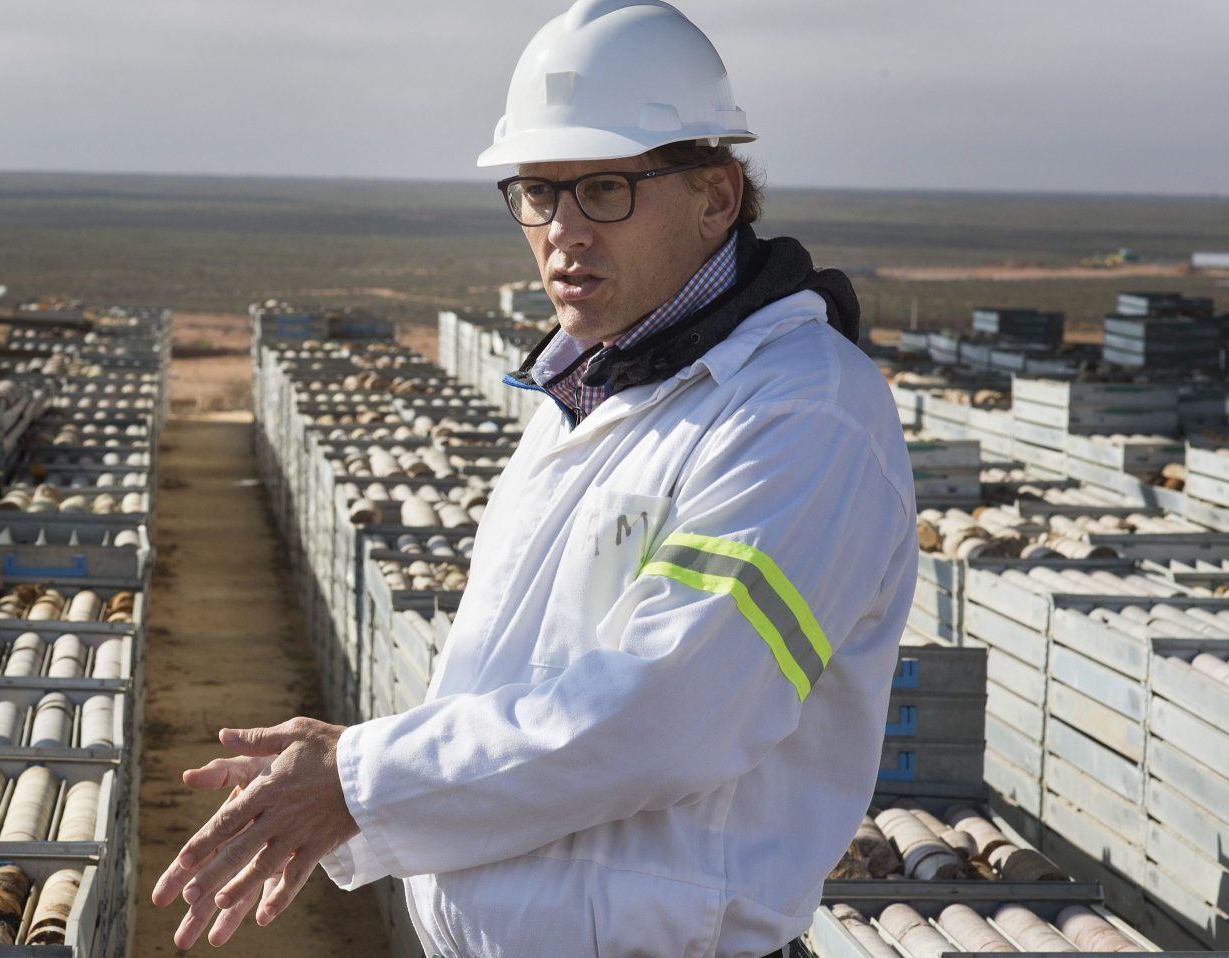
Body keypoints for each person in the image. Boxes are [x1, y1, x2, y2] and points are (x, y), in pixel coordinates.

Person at [151, 1, 916, 955]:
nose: (562, 232)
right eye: (536, 193)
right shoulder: (581, 398)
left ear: (717, 196)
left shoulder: (799, 417)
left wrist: (359, 778)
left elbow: (666, 715)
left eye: (603, 187)